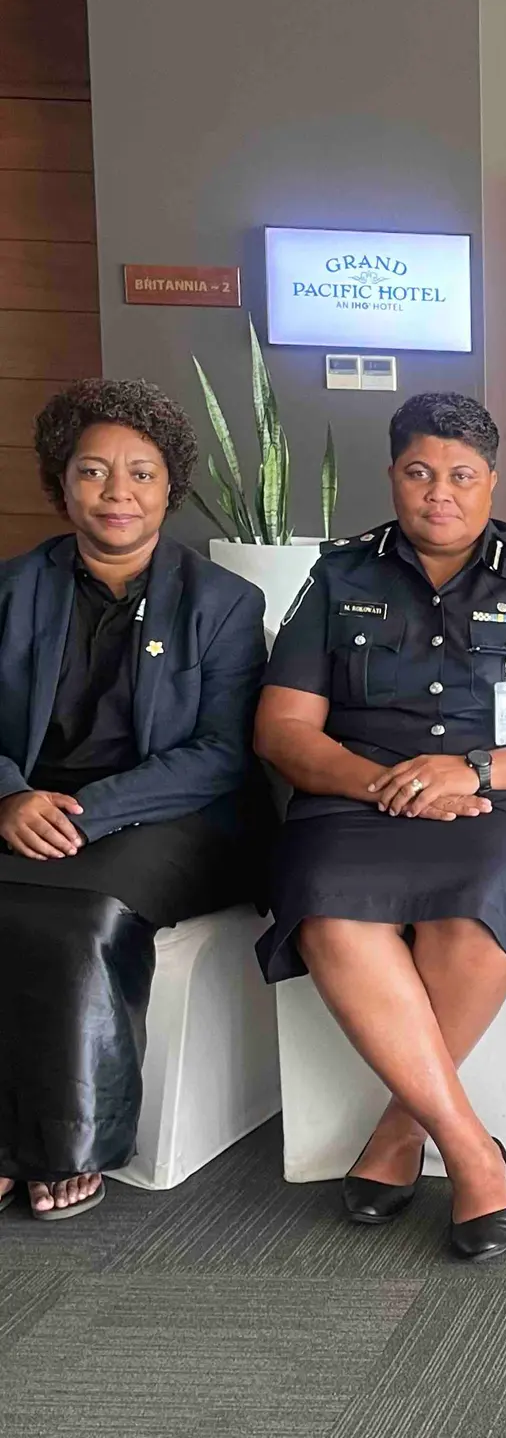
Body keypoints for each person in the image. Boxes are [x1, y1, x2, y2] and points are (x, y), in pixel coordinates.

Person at [254, 393, 506, 1262]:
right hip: (357, 797)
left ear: (492, 482)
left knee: (477, 905)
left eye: (461, 476)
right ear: (392, 476)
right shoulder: (341, 577)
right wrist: (385, 783)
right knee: (328, 909)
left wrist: (475, 770)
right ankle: (468, 1147)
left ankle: (398, 1129)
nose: (439, 493)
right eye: (420, 473)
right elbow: (283, 730)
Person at [0, 379, 266, 1220]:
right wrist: (10, 797)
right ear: (61, 481)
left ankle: (62, 1144)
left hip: (176, 816)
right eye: (93, 471)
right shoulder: (12, 589)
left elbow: (223, 752)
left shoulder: (222, 602)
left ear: (169, 485)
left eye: (141, 474)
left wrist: (86, 813)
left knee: (77, 915)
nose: (118, 492)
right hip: (28, 805)